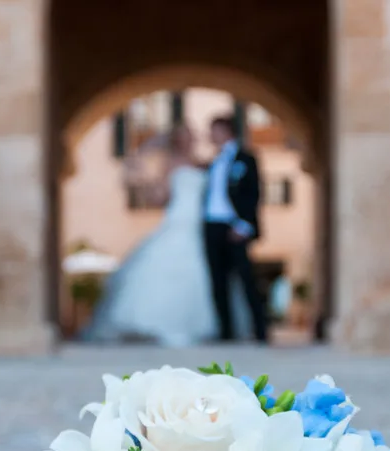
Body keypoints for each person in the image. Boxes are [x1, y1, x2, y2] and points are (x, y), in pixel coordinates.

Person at [82, 124, 217, 346]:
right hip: (177, 220)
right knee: (170, 270)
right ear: (178, 140)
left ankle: (188, 323)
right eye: (185, 137)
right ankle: (162, 324)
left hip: (200, 225)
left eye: (191, 137)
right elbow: (159, 198)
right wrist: (143, 179)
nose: (189, 141)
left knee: (196, 274)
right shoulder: (170, 164)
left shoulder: (204, 164)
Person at [204, 115, 267, 342]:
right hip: (212, 226)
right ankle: (226, 331)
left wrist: (244, 224)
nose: (210, 136)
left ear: (226, 131)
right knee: (217, 281)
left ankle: (261, 330)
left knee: (246, 278)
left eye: (214, 130)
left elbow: (254, 193)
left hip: (235, 226)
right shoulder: (213, 161)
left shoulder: (246, 158)